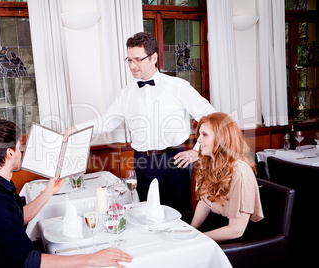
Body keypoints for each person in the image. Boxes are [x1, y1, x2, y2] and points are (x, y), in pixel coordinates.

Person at [64, 32, 215, 213]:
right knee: (145, 216)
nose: (132, 66)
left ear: (153, 58)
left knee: (178, 217)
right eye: (128, 60)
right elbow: (106, 122)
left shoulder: (178, 87)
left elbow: (211, 119)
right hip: (141, 163)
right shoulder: (126, 93)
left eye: (137, 59)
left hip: (174, 161)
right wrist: (76, 129)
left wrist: (197, 151)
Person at [0, 120, 133, 268]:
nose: (21, 153)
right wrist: (92, 259)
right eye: (19, 148)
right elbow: (28, 261)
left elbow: (18, 217)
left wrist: (48, 191)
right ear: (10, 153)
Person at [190, 112, 264, 242]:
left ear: (221, 138)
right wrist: (191, 230)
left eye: (205, 135)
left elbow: (236, 231)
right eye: (199, 134)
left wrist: (196, 239)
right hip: (216, 226)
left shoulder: (240, 172)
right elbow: (205, 202)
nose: (199, 140)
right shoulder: (208, 162)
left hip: (238, 240)